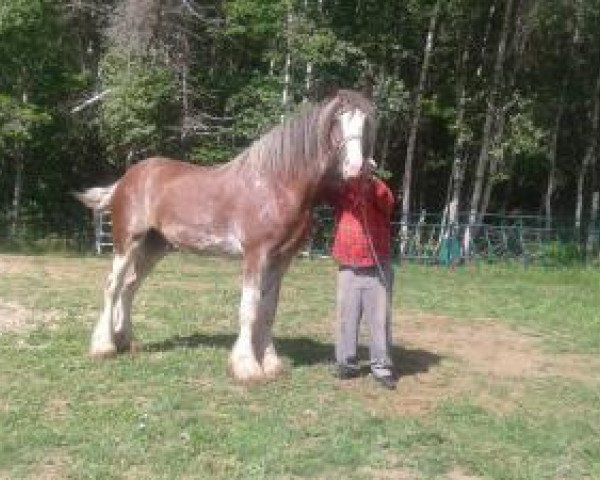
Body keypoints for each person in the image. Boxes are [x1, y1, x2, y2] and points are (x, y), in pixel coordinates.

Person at [328, 158, 396, 390]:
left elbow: (388, 202)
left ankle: (381, 366)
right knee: (347, 318)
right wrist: (344, 174)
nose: (361, 173)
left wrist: (369, 180)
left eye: (367, 169)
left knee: (379, 320)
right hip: (348, 264)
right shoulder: (343, 190)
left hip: (377, 266)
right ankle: (347, 363)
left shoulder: (379, 189)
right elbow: (327, 193)